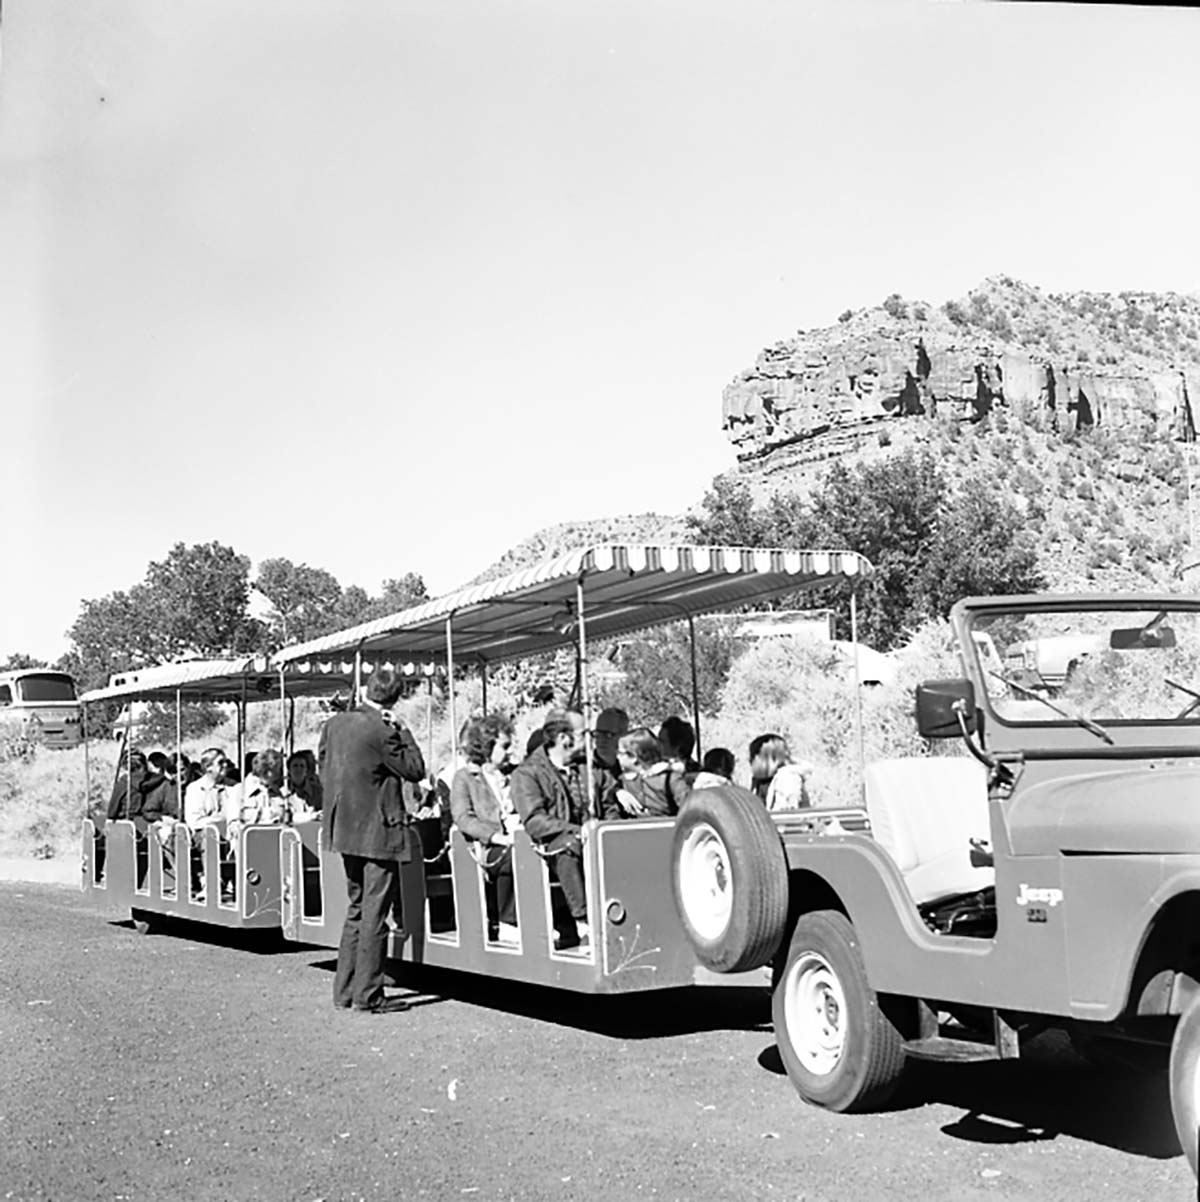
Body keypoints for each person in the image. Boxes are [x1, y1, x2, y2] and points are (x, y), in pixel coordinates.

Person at [319, 667, 426, 1014]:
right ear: (395, 698)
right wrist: (403, 729)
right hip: (378, 831)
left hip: (344, 828)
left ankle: (345, 990)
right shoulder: (384, 730)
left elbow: (324, 769)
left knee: (356, 909)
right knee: (375, 915)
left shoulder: (333, 725)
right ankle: (369, 995)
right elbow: (414, 769)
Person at [509, 709, 589, 947]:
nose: (590, 740)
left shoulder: (588, 769)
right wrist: (576, 830)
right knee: (568, 849)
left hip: (590, 838)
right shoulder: (527, 774)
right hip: (551, 844)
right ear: (565, 738)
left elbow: (606, 799)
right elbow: (534, 821)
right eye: (585, 733)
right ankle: (584, 924)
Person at [450, 714, 519, 941]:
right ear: (487, 746)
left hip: (519, 836)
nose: (510, 752)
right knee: (511, 856)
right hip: (483, 847)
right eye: (505, 746)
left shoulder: (517, 775)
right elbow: (463, 818)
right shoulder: (465, 778)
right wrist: (496, 836)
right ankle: (508, 921)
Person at [605, 728, 689, 818]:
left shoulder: (669, 780)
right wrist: (616, 792)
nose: (617, 757)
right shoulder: (621, 782)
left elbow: (689, 809)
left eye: (620, 753)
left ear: (633, 757)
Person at [748, 733, 813, 811]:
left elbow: (786, 813)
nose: (749, 760)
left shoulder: (787, 779)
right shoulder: (759, 782)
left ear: (768, 759)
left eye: (753, 757)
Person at [658, 716, 701, 781]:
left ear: (677, 747)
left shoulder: (696, 775)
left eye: (662, 741)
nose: (657, 744)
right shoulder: (657, 769)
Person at [287, 750, 324, 815]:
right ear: (289, 770)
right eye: (295, 766)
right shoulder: (284, 792)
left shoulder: (317, 791)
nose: (298, 769)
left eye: (302, 766)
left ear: (306, 770)